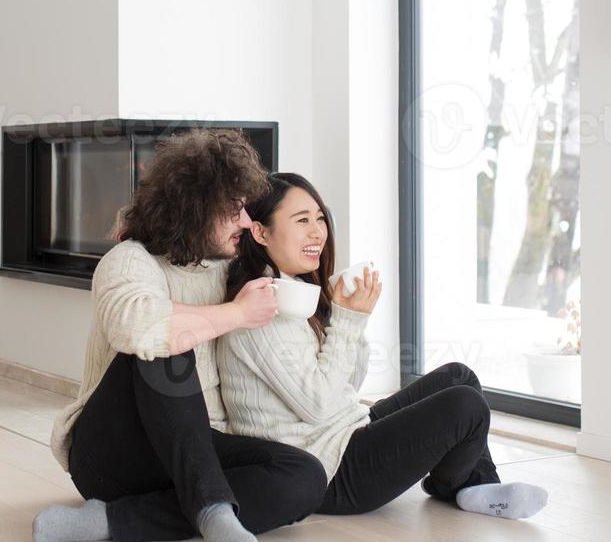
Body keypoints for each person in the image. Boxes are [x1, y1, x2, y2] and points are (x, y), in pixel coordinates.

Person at [33, 131, 328, 542]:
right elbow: (141, 328)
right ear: (195, 209)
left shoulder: (229, 266)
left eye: (247, 210)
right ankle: (212, 511)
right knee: (167, 341)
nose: (246, 222)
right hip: (111, 455)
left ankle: (115, 521)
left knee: (304, 475)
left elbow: (282, 255)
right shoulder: (130, 261)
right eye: (234, 210)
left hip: (192, 454)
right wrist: (237, 314)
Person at [218, 172, 549, 519]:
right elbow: (317, 405)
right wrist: (349, 320)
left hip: (346, 430)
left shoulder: (294, 290)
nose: (318, 231)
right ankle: (457, 486)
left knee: (458, 377)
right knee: (465, 406)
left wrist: (349, 318)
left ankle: (477, 485)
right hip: (329, 468)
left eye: (320, 218)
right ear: (260, 232)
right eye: (302, 220)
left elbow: (347, 386)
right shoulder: (261, 308)